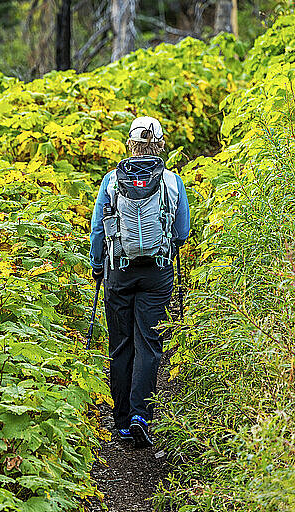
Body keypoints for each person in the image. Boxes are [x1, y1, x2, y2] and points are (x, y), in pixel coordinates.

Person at [89, 116, 190, 448]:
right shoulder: (172, 181)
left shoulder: (111, 181)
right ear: (159, 144)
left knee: (120, 346)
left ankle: (119, 423)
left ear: (129, 143)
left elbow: (98, 229)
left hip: (118, 270)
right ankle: (139, 416)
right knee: (149, 343)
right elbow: (182, 233)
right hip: (157, 273)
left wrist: (97, 266)